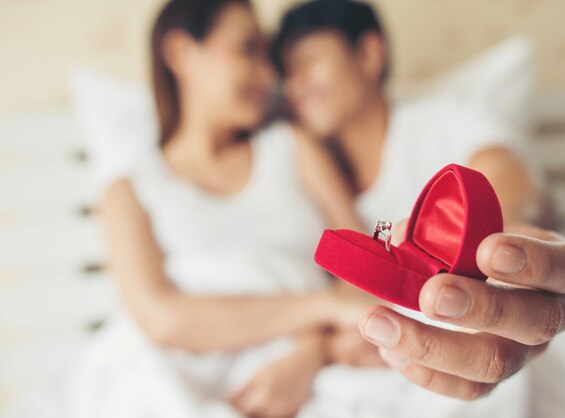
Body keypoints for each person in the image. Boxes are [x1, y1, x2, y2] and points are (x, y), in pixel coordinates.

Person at [70, 1, 384, 417]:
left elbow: (367, 274)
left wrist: (314, 352)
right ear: (180, 52)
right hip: (185, 374)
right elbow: (163, 320)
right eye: (247, 49)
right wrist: (323, 307)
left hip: (313, 368)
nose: (269, 76)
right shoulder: (129, 191)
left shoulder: (292, 150)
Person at [272, 0, 565, 401]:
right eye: (286, 73)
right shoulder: (298, 175)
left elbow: (511, 185)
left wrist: (502, 247)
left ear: (368, 54)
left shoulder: (442, 122)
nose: (293, 84)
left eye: (307, 61)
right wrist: (321, 349)